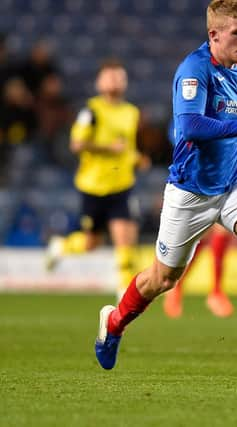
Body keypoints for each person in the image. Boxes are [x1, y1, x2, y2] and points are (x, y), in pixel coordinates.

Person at [94, 0, 237, 370]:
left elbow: (227, 129)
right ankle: (113, 323)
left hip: (232, 186)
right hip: (190, 192)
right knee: (163, 279)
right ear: (214, 34)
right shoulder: (194, 69)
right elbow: (189, 128)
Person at [45, 59, 147, 300]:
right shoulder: (90, 111)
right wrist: (107, 148)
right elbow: (76, 144)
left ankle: (124, 297)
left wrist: (137, 158)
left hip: (122, 185)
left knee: (124, 240)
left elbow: (127, 147)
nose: (115, 81)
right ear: (99, 82)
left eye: (119, 76)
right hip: (93, 186)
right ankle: (61, 247)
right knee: (91, 243)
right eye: (110, 76)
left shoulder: (131, 112)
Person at [162, 85, 237, 319]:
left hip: (231, 174)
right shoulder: (199, 90)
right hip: (199, 175)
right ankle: (179, 286)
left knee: (220, 235)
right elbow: (176, 130)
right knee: (201, 238)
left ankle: (215, 291)